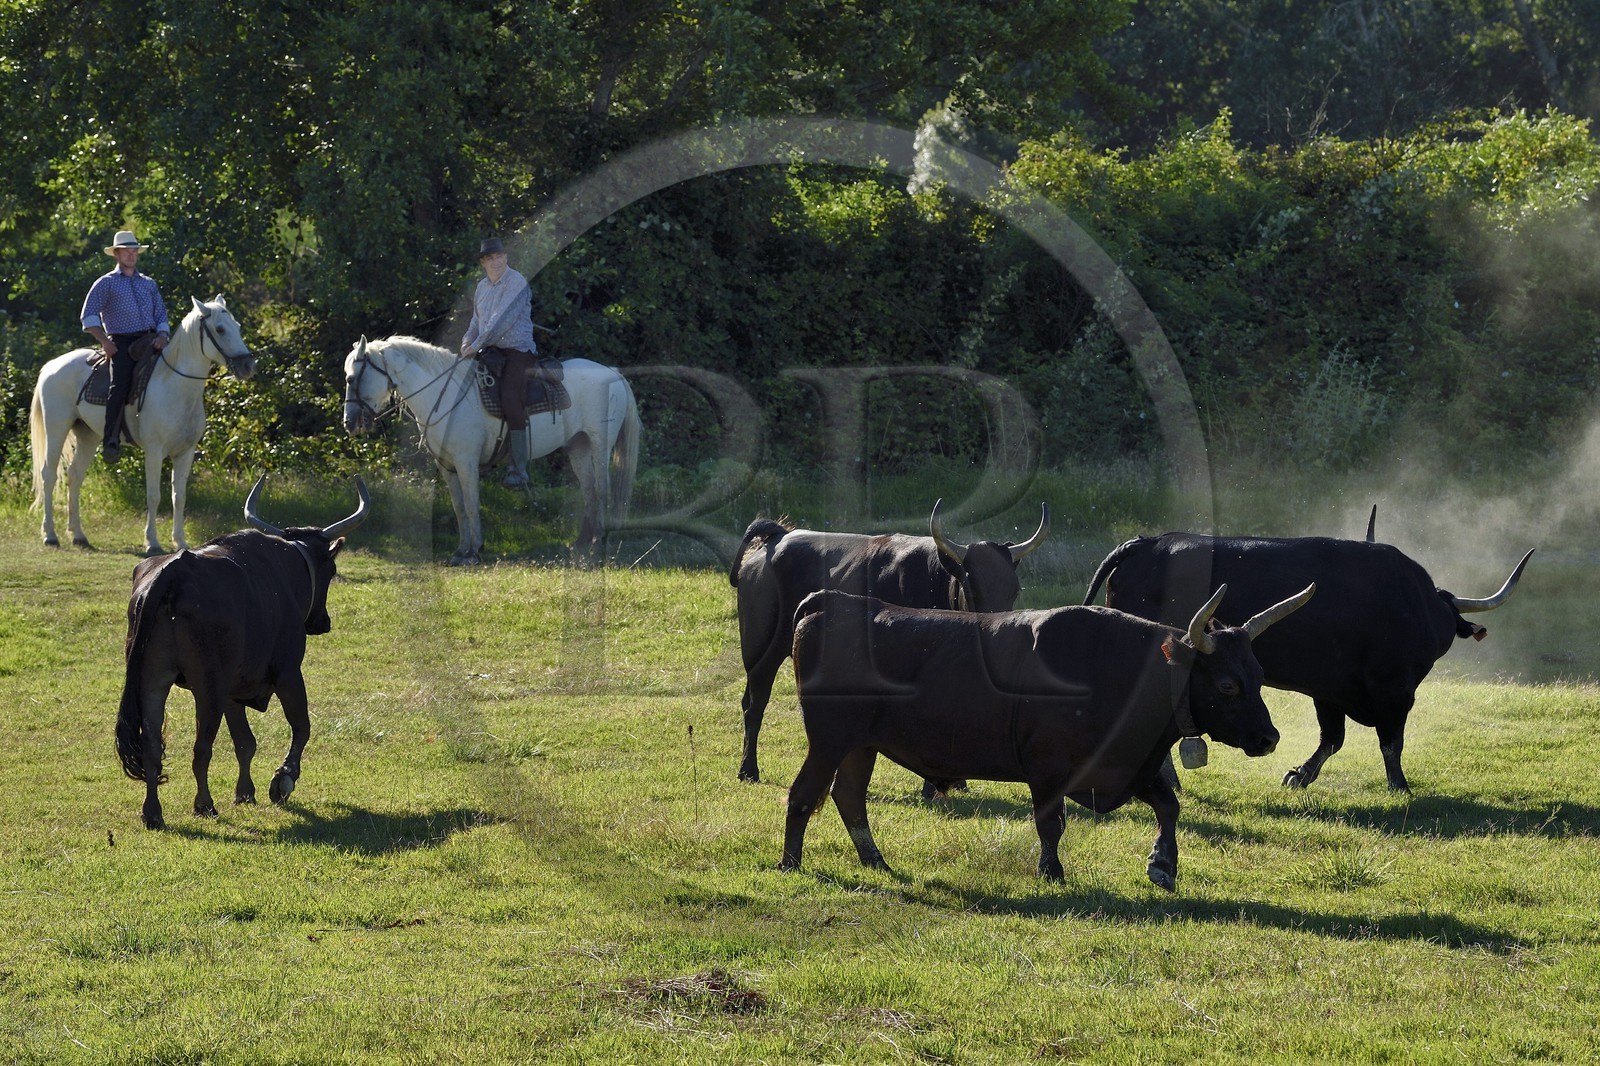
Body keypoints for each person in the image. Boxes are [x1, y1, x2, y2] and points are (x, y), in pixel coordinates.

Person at [81, 230, 170, 463]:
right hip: (122, 343)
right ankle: (111, 440)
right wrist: (105, 342)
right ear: (117, 254)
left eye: (134, 251)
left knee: (175, 374)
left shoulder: (149, 284)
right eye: (126, 251)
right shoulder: (106, 283)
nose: (131, 255)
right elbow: (88, 316)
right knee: (119, 385)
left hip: (151, 340)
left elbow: (161, 314)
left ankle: (178, 436)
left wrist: (162, 335)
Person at [460, 237, 538, 487]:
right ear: (483, 262)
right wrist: (465, 343)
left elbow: (499, 322)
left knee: (510, 398)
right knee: (469, 394)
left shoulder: (516, 282)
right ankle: (480, 455)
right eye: (491, 258)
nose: (496, 262)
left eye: (500, 256)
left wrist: (476, 345)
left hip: (518, 352)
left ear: (506, 258)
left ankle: (518, 470)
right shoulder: (482, 287)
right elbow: (476, 321)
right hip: (490, 351)